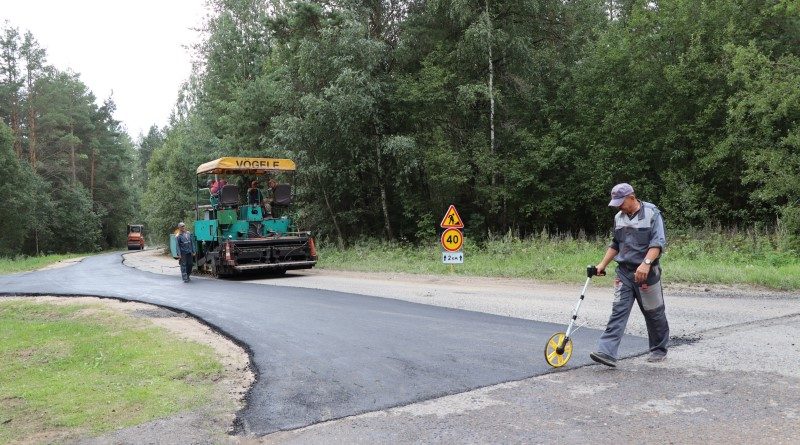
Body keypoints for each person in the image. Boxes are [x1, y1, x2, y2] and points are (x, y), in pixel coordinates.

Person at [590, 183, 669, 367]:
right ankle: (606, 352)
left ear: (632, 198)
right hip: (624, 272)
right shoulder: (619, 217)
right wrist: (602, 265)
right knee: (618, 311)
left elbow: (657, 243)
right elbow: (616, 244)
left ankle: (658, 349)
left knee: (654, 312)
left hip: (646, 273)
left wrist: (646, 264)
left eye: (621, 202)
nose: (618, 206)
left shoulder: (652, 214)